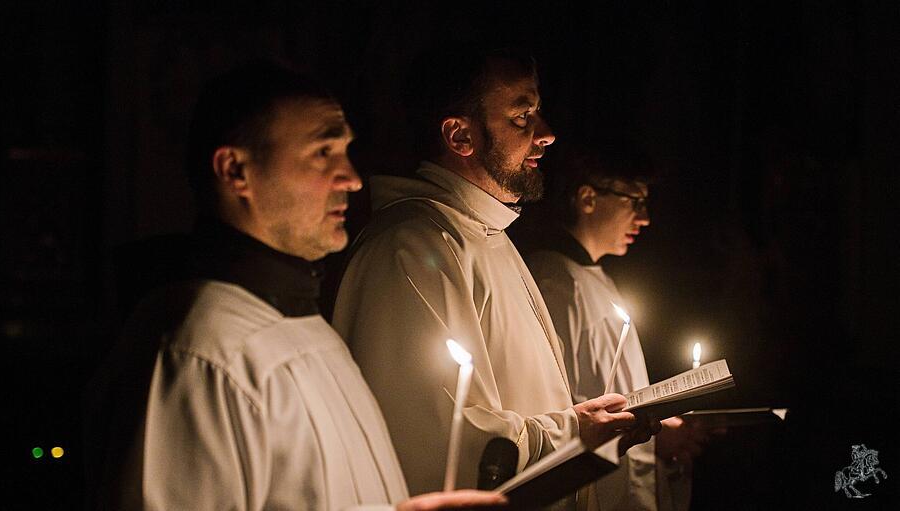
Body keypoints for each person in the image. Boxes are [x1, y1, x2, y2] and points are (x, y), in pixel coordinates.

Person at [84, 61, 506, 511]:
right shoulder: (196, 352)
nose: (353, 178)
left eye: (346, 151)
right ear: (235, 171)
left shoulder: (298, 320)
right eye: (323, 153)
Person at [332, 46, 658, 500]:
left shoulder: (487, 234)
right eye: (522, 117)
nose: (546, 135)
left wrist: (580, 425)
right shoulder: (410, 247)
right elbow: (441, 441)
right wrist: (574, 430)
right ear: (460, 135)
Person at [519, 145, 706, 510]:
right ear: (587, 198)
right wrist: (654, 438)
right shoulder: (554, 281)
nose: (645, 217)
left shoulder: (596, 277)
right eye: (634, 201)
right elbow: (558, 405)